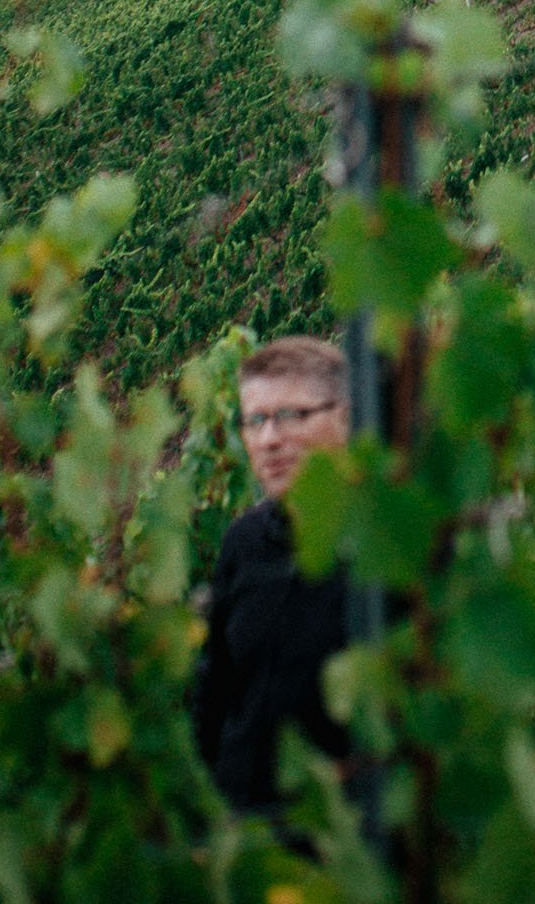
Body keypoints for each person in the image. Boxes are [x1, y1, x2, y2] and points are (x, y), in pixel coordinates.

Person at [193, 335, 353, 815]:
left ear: (345, 418)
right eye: (255, 420)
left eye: (290, 416)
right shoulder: (242, 544)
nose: (269, 440)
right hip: (241, 841)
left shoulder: (384, 544)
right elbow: (214, 690)